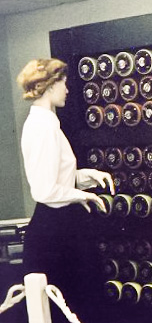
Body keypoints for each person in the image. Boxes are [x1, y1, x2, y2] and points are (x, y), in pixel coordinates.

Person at [17, 58, 114, 322]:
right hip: (54, 233)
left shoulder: (48, 123)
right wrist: (84, 195)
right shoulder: (42, 126)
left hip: (62, 228)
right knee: (71, 307)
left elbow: (58, 178)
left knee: (77, 304)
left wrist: (86, 177)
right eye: (63, 83)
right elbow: (45, 190)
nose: (67, 89)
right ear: (49, 85)